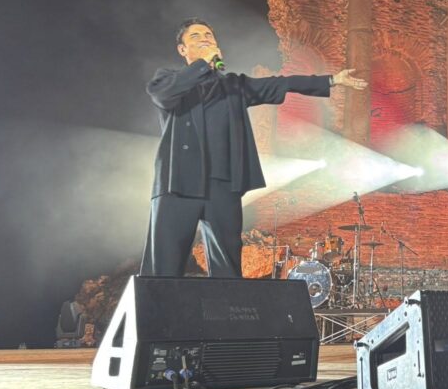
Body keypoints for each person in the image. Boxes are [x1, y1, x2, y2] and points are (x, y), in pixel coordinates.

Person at [140, 18, 367, 277]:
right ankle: (159, 315)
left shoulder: (234, 85)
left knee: (228, 266)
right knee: (164, 267)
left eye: (209, 35)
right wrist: (204, 64)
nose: (205, 38)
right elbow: (163, 95)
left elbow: (281, 83)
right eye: (195, 37)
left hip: (222, 185)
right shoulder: (168, 80)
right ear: (182, 49)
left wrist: (331, 80)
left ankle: (227, 314)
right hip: (178, 183)